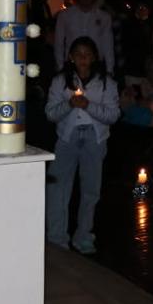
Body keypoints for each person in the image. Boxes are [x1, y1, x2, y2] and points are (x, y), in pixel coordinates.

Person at [45, 36, 120, 254]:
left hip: (94, 140)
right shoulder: (60, 81)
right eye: (78, 54)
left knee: (90, 190)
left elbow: (113, 115)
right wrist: (69, 104)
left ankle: (84, 236)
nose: (83, 58)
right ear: (71, 57)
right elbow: (50, 113)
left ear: (94, 57)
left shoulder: (106, 83)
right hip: (67, 138)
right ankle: (57, 236)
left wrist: (88, 105)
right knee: (57, 188)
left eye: (87, 54)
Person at [54, 0, 115, 72]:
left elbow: (108, 45)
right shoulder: (64, 16)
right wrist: (60, 67)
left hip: (95, 66)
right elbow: (59, 43)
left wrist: (110, 70)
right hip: (72, 66)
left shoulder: (104, 17)